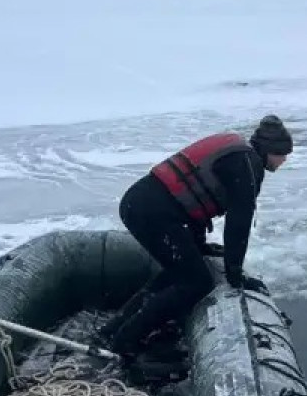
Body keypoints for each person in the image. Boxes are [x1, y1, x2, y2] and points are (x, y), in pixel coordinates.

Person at [99, 115, 294, 355]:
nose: (284, 160)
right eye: (282, 154)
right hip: (153, 212)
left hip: (140, 204)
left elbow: (192, 199)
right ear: (270, 150)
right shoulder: (246, 165)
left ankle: (114, 329)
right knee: (196, 282)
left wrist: (199, 245)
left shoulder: (238, 152)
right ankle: (125, 342)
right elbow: (238, 223)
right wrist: (235, 275)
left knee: (178, 273)